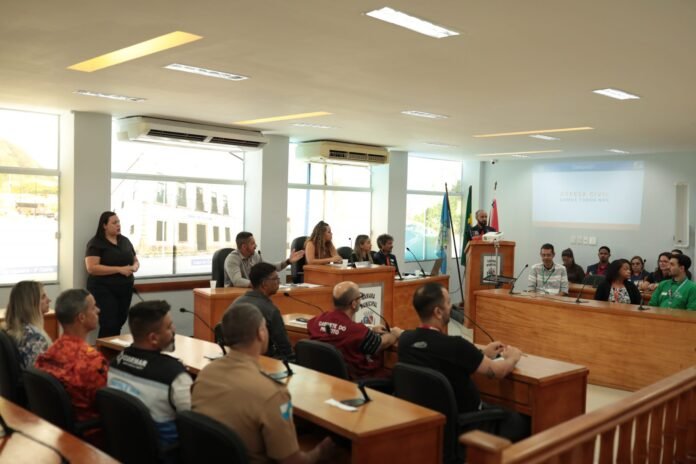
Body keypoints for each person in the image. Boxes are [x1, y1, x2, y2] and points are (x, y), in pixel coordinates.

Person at [192, 303, 335, 463]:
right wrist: (320, 452)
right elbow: (291, 461)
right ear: (261, 333)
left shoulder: (205, 374)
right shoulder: (272, 394)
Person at [398, 282, 528, 442]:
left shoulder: (405, 341)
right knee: (524, 421)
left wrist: (481, 354)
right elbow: (498, 371)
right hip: (468, 425)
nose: (451, 306)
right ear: (438, 312)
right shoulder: (456, 346)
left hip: (429, 425)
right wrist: (513, 357)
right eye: (448, 302)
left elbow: (440, 355)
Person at [107, 300, 192, 445]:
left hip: (123, 445)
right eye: (169, 326)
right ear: (153, 338)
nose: (174, 329)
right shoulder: (175, 376)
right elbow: (193, 424)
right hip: (166, 451)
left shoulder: (115, 362)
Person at [35, 289, 107, 422]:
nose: (98, 310)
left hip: (54, 427)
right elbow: (108, 405)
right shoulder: (92, 361)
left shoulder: (48, 353)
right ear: (81, 317)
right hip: (89, 429)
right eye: (93, 308)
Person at [307, 281, 402, 379]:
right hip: (355, 381)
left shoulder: (317, 320)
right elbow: (380, 343)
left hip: (324, 378)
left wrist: (370, 330)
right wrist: (394, 334)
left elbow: (338, 330)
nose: (360, 299)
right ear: (354, 304)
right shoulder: (356, 330)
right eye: (359, 297)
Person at [85, 211, 139, 337]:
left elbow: (135, 260)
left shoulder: (125, 241)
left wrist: (135, 267)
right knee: (109, 323)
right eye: (114, 223)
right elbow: (91, 268)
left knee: (120, 321)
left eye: (118, 222)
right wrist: (119, 269)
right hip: (103, 288)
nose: (118, 225)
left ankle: (112, 347)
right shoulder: (96, 243)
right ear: (104, 225)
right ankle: (104, 349)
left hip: (125, 288)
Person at [231, 262, 294, 361]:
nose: (279, 282)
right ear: (264, 284)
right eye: (275, 279)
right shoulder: (271, 310)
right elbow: (284, 349)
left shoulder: (236, 302)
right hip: (263, 361)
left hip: (235, 358)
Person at [224, 231, 304, 287]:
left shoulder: (255, 256)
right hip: (233, 294)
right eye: (252, 243)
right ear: (244, 246)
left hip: (250, 291)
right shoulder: (232, 259)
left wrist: (288, 261)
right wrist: (260, 284)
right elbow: (237, 281)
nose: (256, 246)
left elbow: (271, 267)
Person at [3, 281, 52, 368]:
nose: (49, 300)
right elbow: (39, 374)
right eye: (43, 297)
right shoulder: (34, 338)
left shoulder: (13, 329)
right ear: (30, 303)